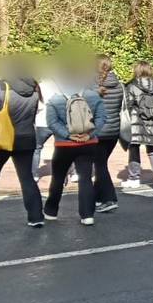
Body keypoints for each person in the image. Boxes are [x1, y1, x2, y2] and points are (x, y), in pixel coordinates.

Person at [0, 57, 43, 226]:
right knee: (26, 177)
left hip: (2, 138)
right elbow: (33, 112)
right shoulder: (35, 88)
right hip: (26, 138)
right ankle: (36, 216)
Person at [43, 67, 107, 225]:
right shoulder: (93, 96)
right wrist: (89, 135)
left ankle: (51, 211)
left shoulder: (55, 99)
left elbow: (51, 122)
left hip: (64, 144)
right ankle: (87, 215)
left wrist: (67, 135)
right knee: (85, 178)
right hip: (88, 143)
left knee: (58, 177)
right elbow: (102, 118)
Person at [123, 61, 153, 191]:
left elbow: (127, 105)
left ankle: (134, 178)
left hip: (136, 121)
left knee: (134, 147)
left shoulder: (131, 85)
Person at [91, 55, 124, 213]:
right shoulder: (119, 85)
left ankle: (109, 198)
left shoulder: (91, 84)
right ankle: (97, 197)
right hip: (114, 130)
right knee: (101, 163)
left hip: (97, 129)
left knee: (100, 165)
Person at [31, 75, 59, 182]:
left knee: (37, 148)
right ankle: (69, 172)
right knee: (62, 148)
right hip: (57, 121)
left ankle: (34, 174)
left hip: (42, 122)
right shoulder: (59, 86)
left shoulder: (40, 86)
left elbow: (38, 106)